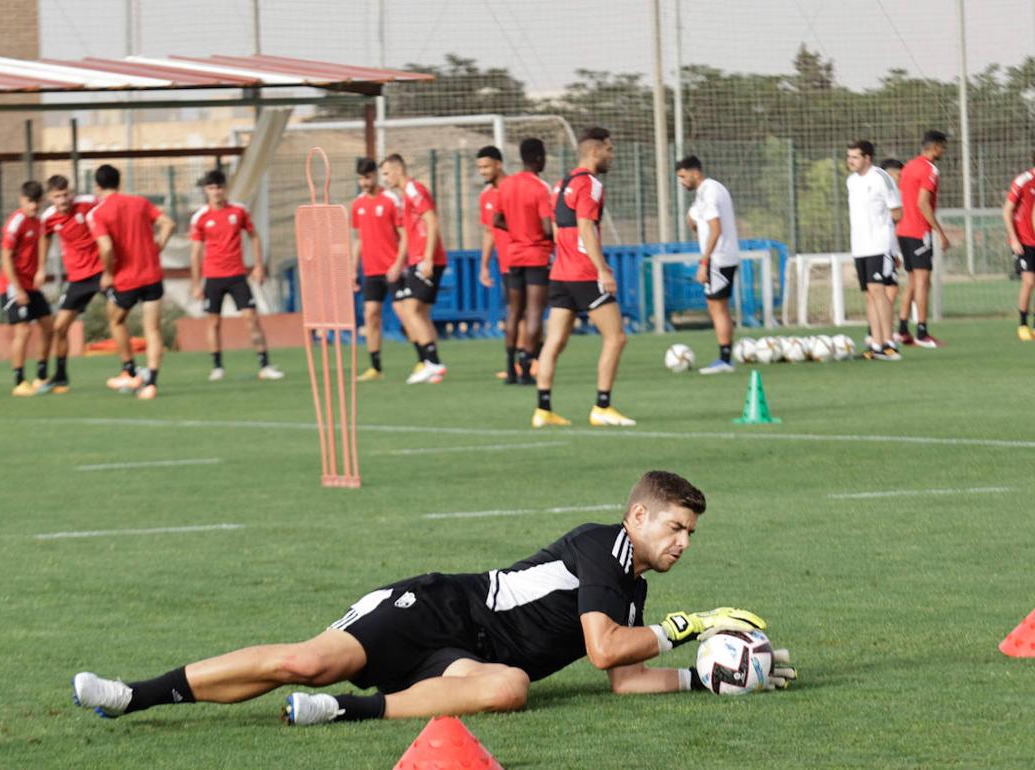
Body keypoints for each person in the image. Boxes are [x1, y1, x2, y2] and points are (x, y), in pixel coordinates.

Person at [71, 470, 796, 724]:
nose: (683, 544)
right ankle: (129, 697)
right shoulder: (601, 547)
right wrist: (694, 624)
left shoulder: (630, 587)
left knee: (510, 689)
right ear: (638, 516)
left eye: (691, 534)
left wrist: (706, 676)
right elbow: (608, 647)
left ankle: (343, 713)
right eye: (676, 528)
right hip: (431, 608)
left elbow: (625, 677)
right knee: (301, 661)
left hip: (465, 660)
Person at [533, 127, 635, 428]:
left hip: (560, 273)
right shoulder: (590, 184)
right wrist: (602, 268)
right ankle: (602, 406)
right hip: (584, 274)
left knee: (554, 340)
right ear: (595, 150)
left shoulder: (561, 184)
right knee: (616, 337)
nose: (611, 156)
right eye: (609, 150)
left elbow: (555, 228)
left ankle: (543, 410)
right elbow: (586, 228)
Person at [89, 164, 176, 400]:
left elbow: (106, 247)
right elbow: (168, 224)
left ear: (97, 186)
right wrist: (157, 248)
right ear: (119, 182)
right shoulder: (140, 202)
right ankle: (151, 384)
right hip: (152, 275)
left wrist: (108, 273)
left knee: (116, 320)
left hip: (126, 278)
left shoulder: (98, 213)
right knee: (153, 329)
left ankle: (129, 371)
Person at [189, 169, 284, 382]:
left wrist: (258, 266)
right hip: (212, 277)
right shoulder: (200, 218)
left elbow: (254, 237)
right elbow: (195, 252)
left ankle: (265, 365)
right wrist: (196, 284)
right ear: (206, 190)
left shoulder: (238, 212)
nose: (216, 192)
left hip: (237, 275)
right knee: (213, 323)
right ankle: (217, 367)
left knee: (251, 319)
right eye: (211, 188)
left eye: (219, 187)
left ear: (225, 188)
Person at [380, 154, 448, 385]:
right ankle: (433, 364)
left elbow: (432, 220)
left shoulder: (413, 190)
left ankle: (432, 362)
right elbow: (410, 232)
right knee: (421, 313)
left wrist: (427, 258)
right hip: (419, 259)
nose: (385, 178)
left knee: (409, 309)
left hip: (426, 260)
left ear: (398, 170)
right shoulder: (405, 195)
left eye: (387, 173)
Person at [492, 138, 554, 386]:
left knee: (514, 311)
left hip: (513, 255)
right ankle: (527, 368)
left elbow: (496, 220)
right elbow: (547, 228)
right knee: (535, 312)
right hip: (536, 255)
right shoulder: (540, 188)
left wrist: (517, 230)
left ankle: (510, 368)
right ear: (539, 158)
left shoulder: (506, 186)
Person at [39, 175, 103, 393]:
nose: (63, 200)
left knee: (118, 318)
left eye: (66, 194)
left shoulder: (87, 203)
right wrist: (41, 268)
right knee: (60, 327)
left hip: (101, 272)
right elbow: (45, 237)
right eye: (57, 196)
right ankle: (60, 375)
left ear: (71, 193)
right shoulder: (48, 218)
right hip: (77, 279)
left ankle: (130, 371)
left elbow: (110, 212)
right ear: (50, 197)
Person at [676, 156, 740, 375]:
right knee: (717, 307)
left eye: (683, 177)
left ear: (695, 172)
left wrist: (704, 262)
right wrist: (693, 220)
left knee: (717, 308)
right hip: (723, 257)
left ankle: (724, 360)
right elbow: (695, 219)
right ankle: (725, 355)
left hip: (718, 259)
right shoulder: (709, 190)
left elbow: (716, 228)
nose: (682, 182)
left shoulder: (709, 192)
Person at [845, 141, 902, 361]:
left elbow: (897, 213)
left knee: (879, 292)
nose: (850, 161)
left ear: (867, 158)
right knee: (869, 295)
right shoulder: (851, 181)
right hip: (860, 247)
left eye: (855, 157)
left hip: (880, 244)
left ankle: (890, 344)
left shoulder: (881, 178)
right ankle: (876, 344)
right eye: (849, 156)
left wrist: (891, 247)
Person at [349, 157, 403, 381]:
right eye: (361, 178)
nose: (364, 182)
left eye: (367, 177)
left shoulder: (391, 200)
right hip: (371, 271)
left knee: (406, 314)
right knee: (371, 315)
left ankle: (425, 361)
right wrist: (353, 269)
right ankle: (375, 367)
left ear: (375, 175)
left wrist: (400, 263)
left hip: (393, 268)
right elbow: (359, 239)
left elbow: (403, 234)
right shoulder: (357, 205)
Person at [896, 130, 950, 348]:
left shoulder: (908, 166)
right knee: (922, 281)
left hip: (903, 231)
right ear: (935, 147)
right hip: (919, 232)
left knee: (911, 280)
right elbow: (922, 203)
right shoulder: (930, 170)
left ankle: (901, 329)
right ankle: (922, 331)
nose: (944, 151)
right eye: (943, 147)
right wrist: (939, 231)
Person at [0, 181, 52, 397]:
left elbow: (41, 248)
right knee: (24, 330)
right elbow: (5, 258)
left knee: (49, 326)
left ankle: (41, 377)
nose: (33, 206)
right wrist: (17, 288)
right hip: (12, 286)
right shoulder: (16, 222)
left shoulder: (39, 223)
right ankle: (19, 381)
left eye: (37, 202)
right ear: (22, 200)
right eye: (29, 202)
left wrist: (40, 270)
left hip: (30, 285)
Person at [475, 145, 517, 381]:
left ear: (499, 164)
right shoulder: (485, 196)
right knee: (513, 312)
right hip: (504, 263)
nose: (483, 171)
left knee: (521, 313)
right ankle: (519, 362)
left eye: (486, 166)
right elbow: (489, 232)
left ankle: (527, 360)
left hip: (522, 258)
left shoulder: (513, 188)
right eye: (480, 167)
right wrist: (483, 265)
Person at [1001, 153, 1035, 341]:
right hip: (1024, 242)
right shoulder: (1024, 180)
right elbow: (1007, 210)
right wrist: (1014, 239)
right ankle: (1022, 324)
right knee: (1029, 282)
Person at [877, 158, 905, 329]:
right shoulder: (888, 193)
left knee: (882, 290)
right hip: (881, 246)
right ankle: (878, 332)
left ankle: (876, 332)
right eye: (899, 175)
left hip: (883, 247)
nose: (901, 179)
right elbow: (892, 221)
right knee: (889, 290)